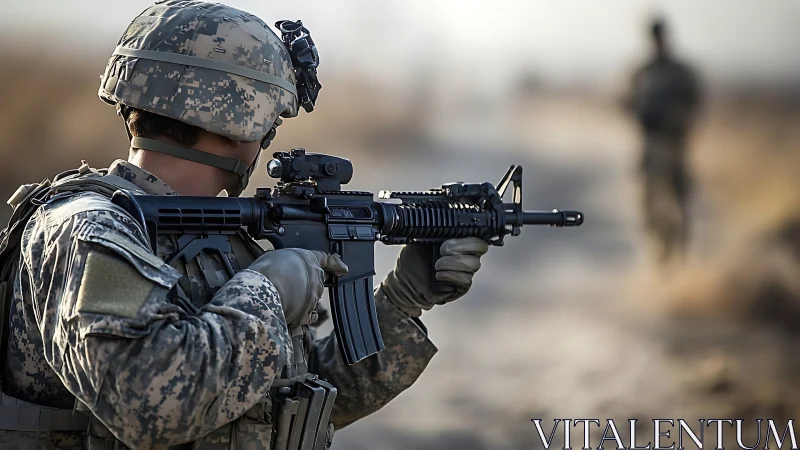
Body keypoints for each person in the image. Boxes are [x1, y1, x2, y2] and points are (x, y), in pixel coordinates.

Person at [0, 1, 490, 448]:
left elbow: (282, 400)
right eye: (270, 118)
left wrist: (404, 299)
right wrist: (267, 291)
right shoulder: (88, 232)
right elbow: (151, 406)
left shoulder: (221, 240)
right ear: (242, 121)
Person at [624, 17, 701, 265]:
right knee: (650, 205)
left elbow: (694, 103)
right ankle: (662, 253)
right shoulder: (643, 72)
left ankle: (679, 253)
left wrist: (677, 122)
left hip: (674, 144)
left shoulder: (679, 73)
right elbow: (626, 102)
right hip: (651, 145)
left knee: (679, 202)